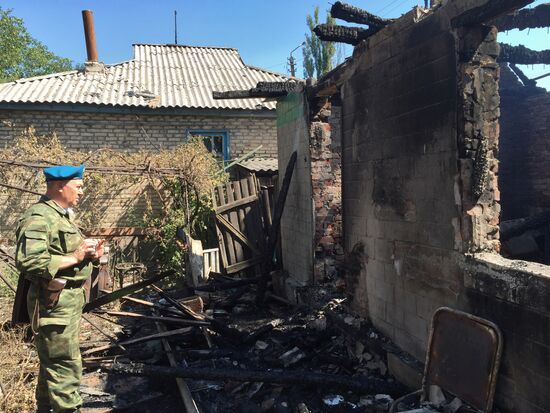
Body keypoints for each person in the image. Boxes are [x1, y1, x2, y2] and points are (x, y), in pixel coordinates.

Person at [15, 164, 104, 413]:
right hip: (53, 303)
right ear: (59, 186)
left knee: (51, 363)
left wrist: (89, 255)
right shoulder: (39, 217)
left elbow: (64, 252)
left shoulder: (62, 215)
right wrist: (76, 257)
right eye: (78, 186)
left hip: (68, 301)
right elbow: (29, 261)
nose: (82, 192)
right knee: (64, 365)